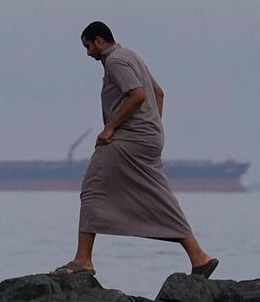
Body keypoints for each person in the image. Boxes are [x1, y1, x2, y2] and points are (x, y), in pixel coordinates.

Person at [52, 21, 217, 279]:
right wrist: (153, 127)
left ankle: (83, 260)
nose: (87, 54)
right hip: (147, 138)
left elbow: (138, 94)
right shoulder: (131, 56)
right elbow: (158, 94)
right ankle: (199, 257)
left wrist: (110, 129)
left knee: (92, 187)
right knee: (159, 196)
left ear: (99, 40)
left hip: (127, 138)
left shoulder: (115, 61)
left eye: (87, 46)